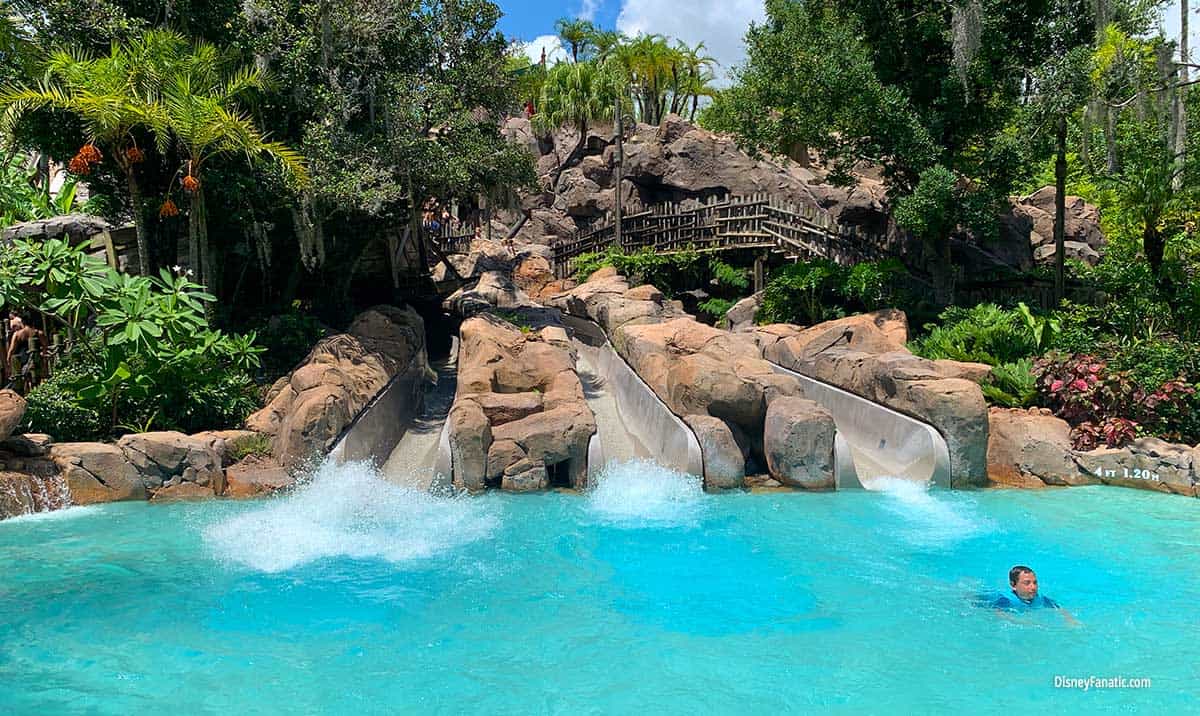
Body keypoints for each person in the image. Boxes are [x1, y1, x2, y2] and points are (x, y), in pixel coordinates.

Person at [990, 566, 1060, 610]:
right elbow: (999, 615)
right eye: (1027, 583)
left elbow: (1060, 609)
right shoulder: (1005, 600)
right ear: (1013, 585)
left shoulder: (1040, 598)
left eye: (1035, 582)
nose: (1033, 587)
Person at [5, 315, 46, 391]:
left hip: (22, 359)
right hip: (36, 359)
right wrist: (43, 356)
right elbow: (45, 346)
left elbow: (12, 349)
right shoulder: (39, 333)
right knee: (36, 379)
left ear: (23, 322)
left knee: (23, 379)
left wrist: (8, 360)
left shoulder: (17, 334)